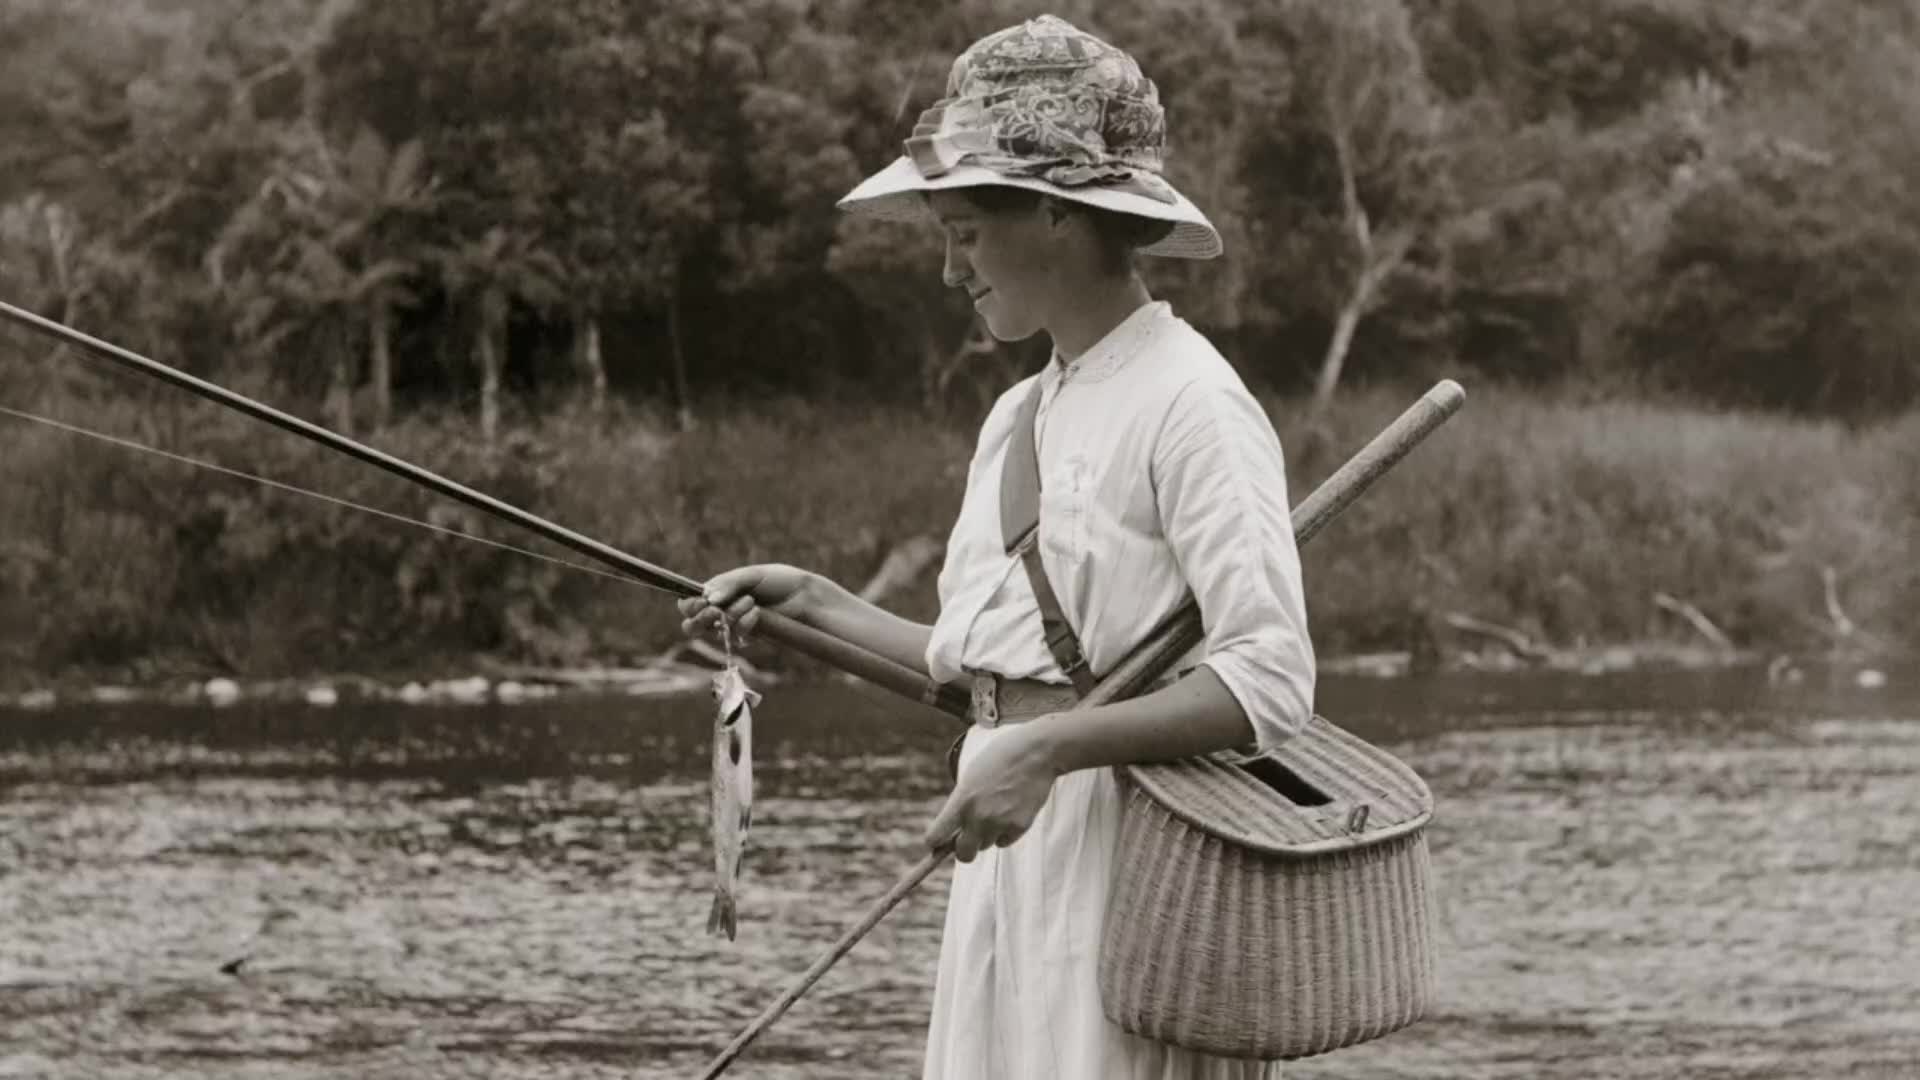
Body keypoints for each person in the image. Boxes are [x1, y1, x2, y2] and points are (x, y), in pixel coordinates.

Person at [678, 15, 1314, 1079]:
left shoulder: (1193, 402)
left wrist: (1045, 753)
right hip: (1008, 852)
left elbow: (1271, 676)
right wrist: (816, 601)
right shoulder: (1017, 417)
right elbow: (994, 677)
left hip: (1129, 866)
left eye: (964, 231)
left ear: (1060, 214)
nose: (946, 270)